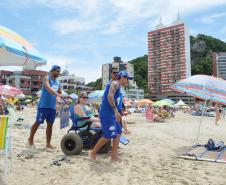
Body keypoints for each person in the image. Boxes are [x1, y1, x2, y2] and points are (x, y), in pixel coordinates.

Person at [90, 70, 133, 161]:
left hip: (112, 114)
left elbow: (116, 101)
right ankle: (93, 152)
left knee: (118, 133)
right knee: (108, 135)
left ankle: (114, 155)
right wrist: (115, 111)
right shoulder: (115, 83)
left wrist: (119, 112)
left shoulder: (119, 86)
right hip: (106, 114)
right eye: (127, 78)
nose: (127, 81)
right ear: (122, 77)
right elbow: (110, 96)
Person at [28, 65, 64, 149]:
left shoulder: (58, 83)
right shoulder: (47, 78)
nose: (58, 73)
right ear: (52, 71)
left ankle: (48, 143)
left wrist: (65, 97)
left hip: (52, 107)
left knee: (50, 125)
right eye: (56, 71)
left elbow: (61, 94)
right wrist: (57, 94)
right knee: (38, 122)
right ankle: (30, 138)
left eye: (59, 71)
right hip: (43, 106)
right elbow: (48, 88)